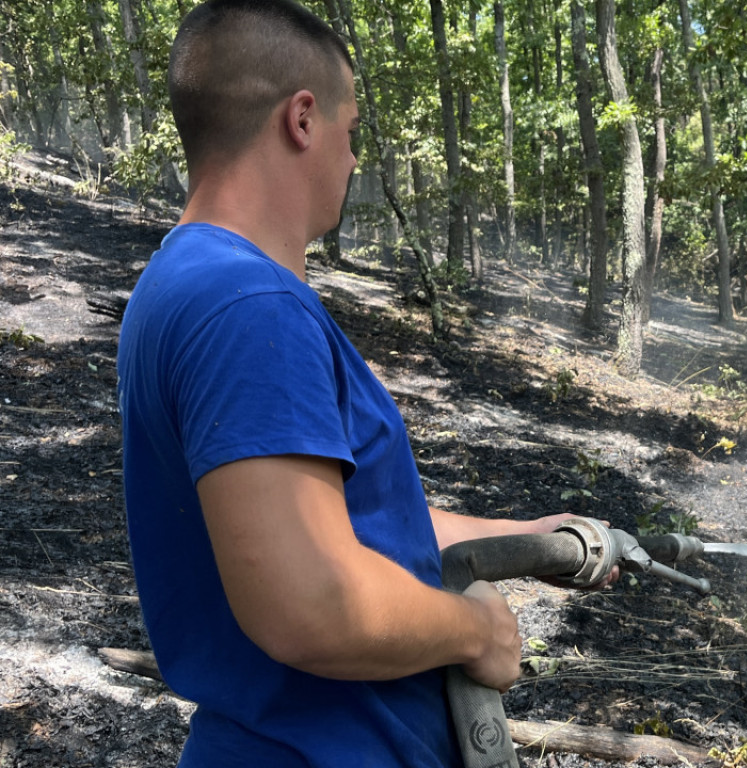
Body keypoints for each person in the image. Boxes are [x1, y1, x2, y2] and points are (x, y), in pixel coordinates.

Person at [117, 1, 593, 765]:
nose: (354, 159)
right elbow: (313, 605)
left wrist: (534, 539)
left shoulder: (183, 282)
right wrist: (478, 630)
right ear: (302, 120)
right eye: (352, 131)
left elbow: (345, 519)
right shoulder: (248, 306)